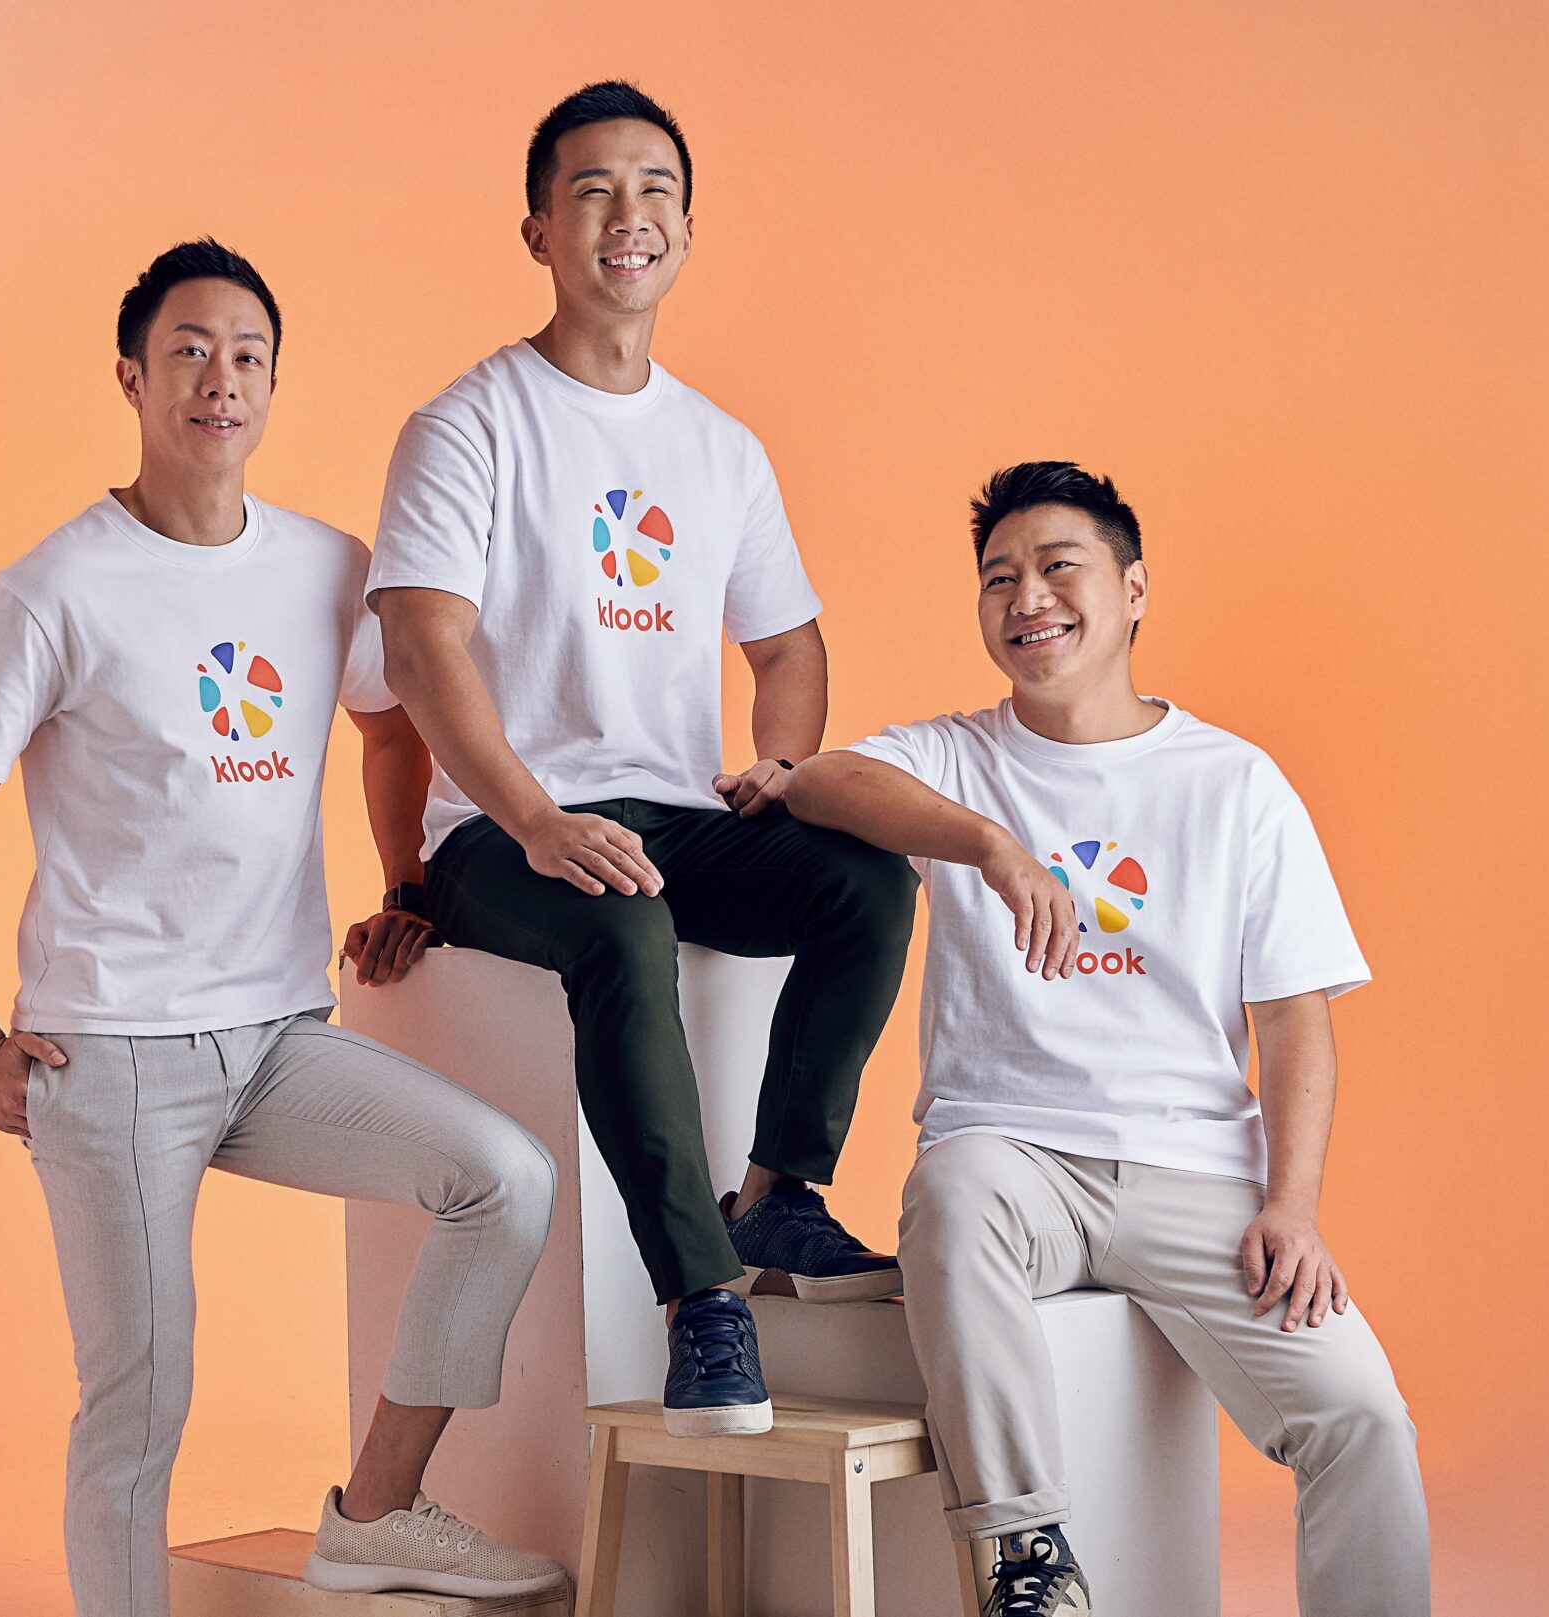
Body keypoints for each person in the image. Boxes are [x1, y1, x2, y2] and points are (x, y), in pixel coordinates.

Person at [0, 239, 565, 1614]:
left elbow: (389, 721)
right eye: (190, 349)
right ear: (133, 376)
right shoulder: (55, 588)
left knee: (504, 1178)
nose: (221, 378)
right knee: (141, 1398)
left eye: (249, 355)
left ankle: (375, 1510)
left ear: (273, 386)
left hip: (272, 1035)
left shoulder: (324, 568)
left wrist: (407, 886)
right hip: (111, 1056)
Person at [779, 462, 1431, 1615]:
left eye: (1055, 567)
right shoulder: (955, 758)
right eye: (998, 579)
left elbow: (1291, 1018)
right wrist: (991, 847)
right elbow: (820, 780)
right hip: (1015, 1158)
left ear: (1132, 590)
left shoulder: (1235, 784)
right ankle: (1028, 1559)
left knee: (1363, 1417)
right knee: (951, 1194)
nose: (1026, 598)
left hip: (1198, 1178)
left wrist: (1292, 1205)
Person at [366, 81, 919, 1439]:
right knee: (625, 923)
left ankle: (783, 1185)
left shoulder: (720, 448)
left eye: (657, 189)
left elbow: (788, 647)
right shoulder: (468, 424)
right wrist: (538, 818)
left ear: (686, 223)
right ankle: (705, 1299)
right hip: (502, 833)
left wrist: (774, 769)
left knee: (862, 877)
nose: (630, 217)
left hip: (672, 809)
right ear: (538, 229)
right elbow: (424, 650)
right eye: (594, 191)